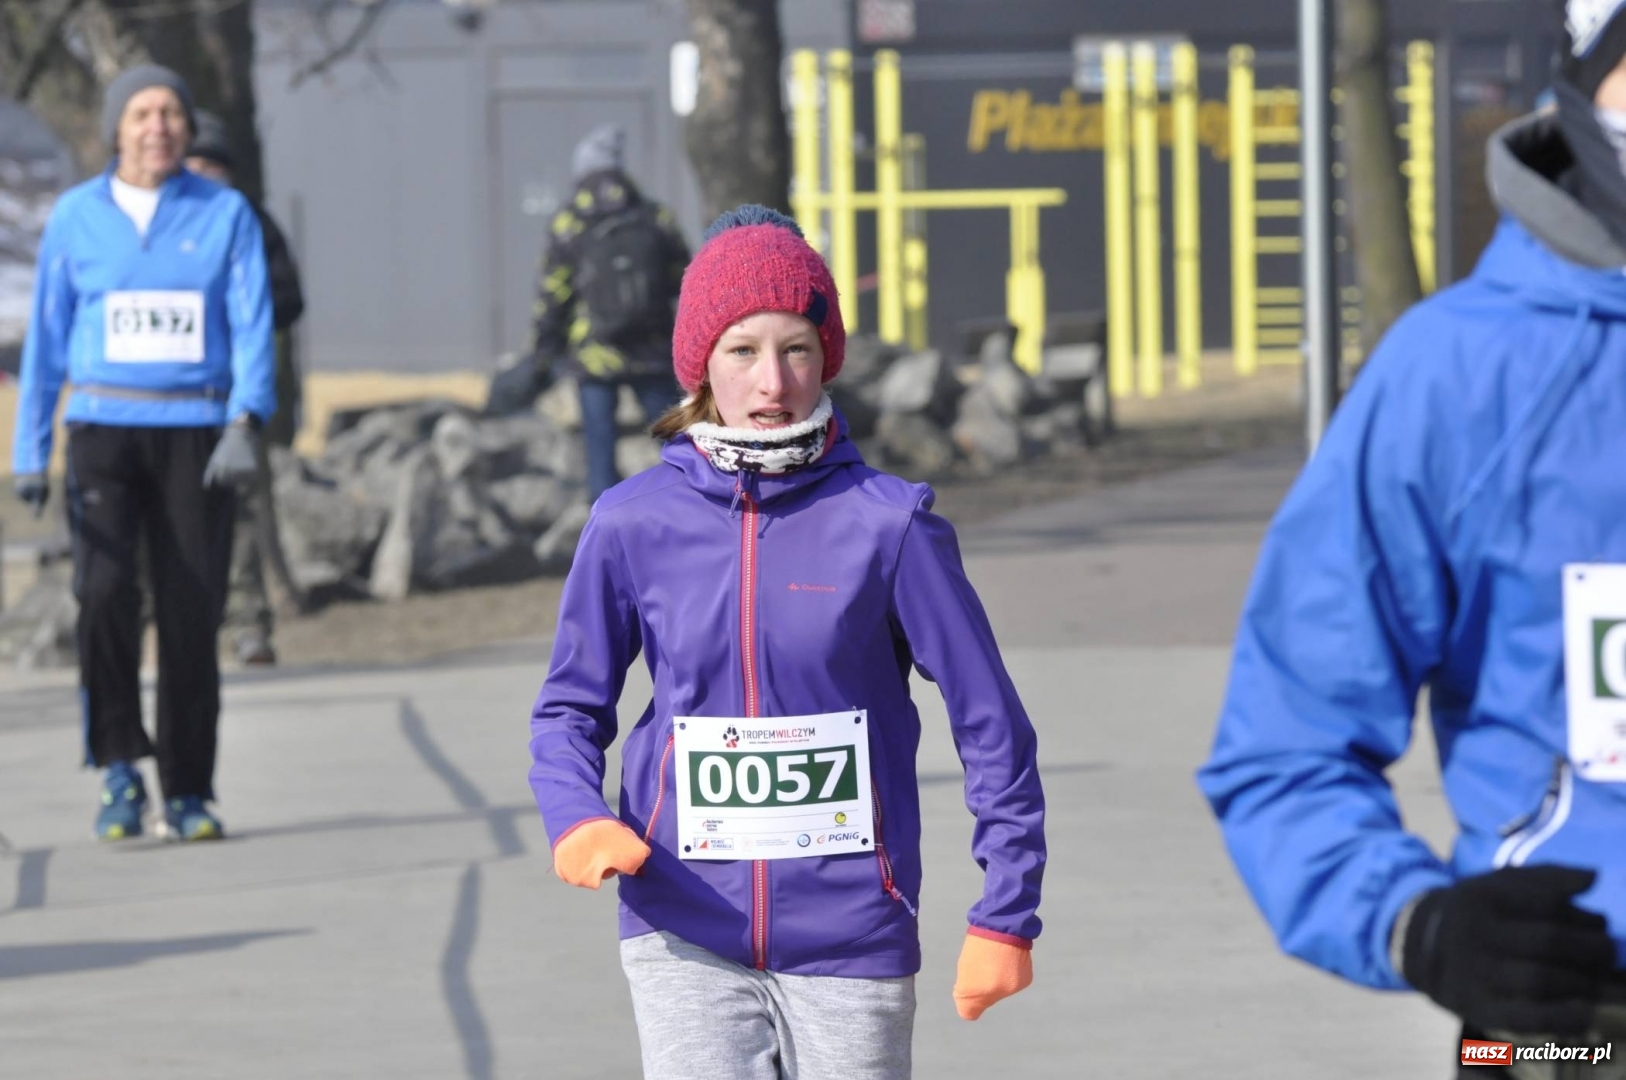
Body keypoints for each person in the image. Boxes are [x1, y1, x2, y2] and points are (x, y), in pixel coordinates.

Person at [1197, 4, 1626, 1073]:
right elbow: (1286, 747)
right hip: (1578, 1022)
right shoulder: (1451, 379)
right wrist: (1417, 925)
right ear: (1586, 76)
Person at [527, 206, 1045, 1079]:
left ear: (825, 357)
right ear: (701, 367)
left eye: (796, 349)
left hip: (853, 937)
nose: (773, 382)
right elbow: (568, 709)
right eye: (743, 351)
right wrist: (575, 814)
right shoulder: (629, 525)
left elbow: (990, 723)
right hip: (683, 926)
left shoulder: (890, 525)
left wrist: (1006, 909)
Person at [10, 65, 274, 842]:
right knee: (103, 599)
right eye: (141, 113)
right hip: (101, 434)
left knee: (192, 614)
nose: (156, 125)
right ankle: (119, 770)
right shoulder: (75, 218)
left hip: (197, 436)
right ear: (115, 127)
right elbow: (48, 339)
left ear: (186, 128)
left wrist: (245, 421)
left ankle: (189, 790)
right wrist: (31, 451)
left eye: (170, 112)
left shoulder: (224, 214)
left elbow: (253, 322)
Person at [486, 123, 689, 503]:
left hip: (595, 355)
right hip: (653, 350)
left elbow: (553, 294)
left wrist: (544, 351)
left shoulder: (570, 222)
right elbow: (686, 277)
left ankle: (605, 522)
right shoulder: (654, 216)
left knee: (599, 447)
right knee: (678, 441)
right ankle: (697, 507)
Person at [185, 110, 306, 666]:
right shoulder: (167, 223)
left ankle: (250, 623)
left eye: (211, 165)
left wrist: (245, 318)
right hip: (179, 401)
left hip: (240, 402)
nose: (201, 174)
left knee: (244, 515)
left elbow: (288, 300)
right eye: (194, 164)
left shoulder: (251, 221)